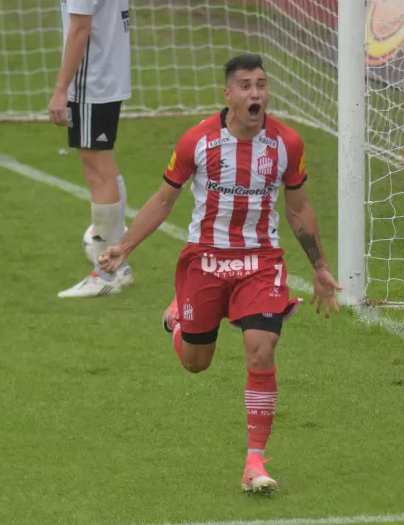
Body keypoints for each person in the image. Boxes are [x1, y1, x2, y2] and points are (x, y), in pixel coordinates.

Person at [98, 53, 342, 493]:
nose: (256, 94)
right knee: (196, 362)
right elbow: (163, 200)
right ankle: (177, 319)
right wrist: (124, 246)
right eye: (246, 85)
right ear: (227, 93)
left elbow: (299, 208)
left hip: (260, 261)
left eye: (262, 85)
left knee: (261, 348)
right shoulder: (198, 141)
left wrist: (320, 267)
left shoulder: (287, 143)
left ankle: (254, 462)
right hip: (206, 261)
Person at [45, 0, 135, 298]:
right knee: (103, 162)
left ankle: (108, 270)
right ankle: (118, 259)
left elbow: (79, 28)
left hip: (92, 75)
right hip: (112, 68)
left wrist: (62, 89)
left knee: (95, 166)